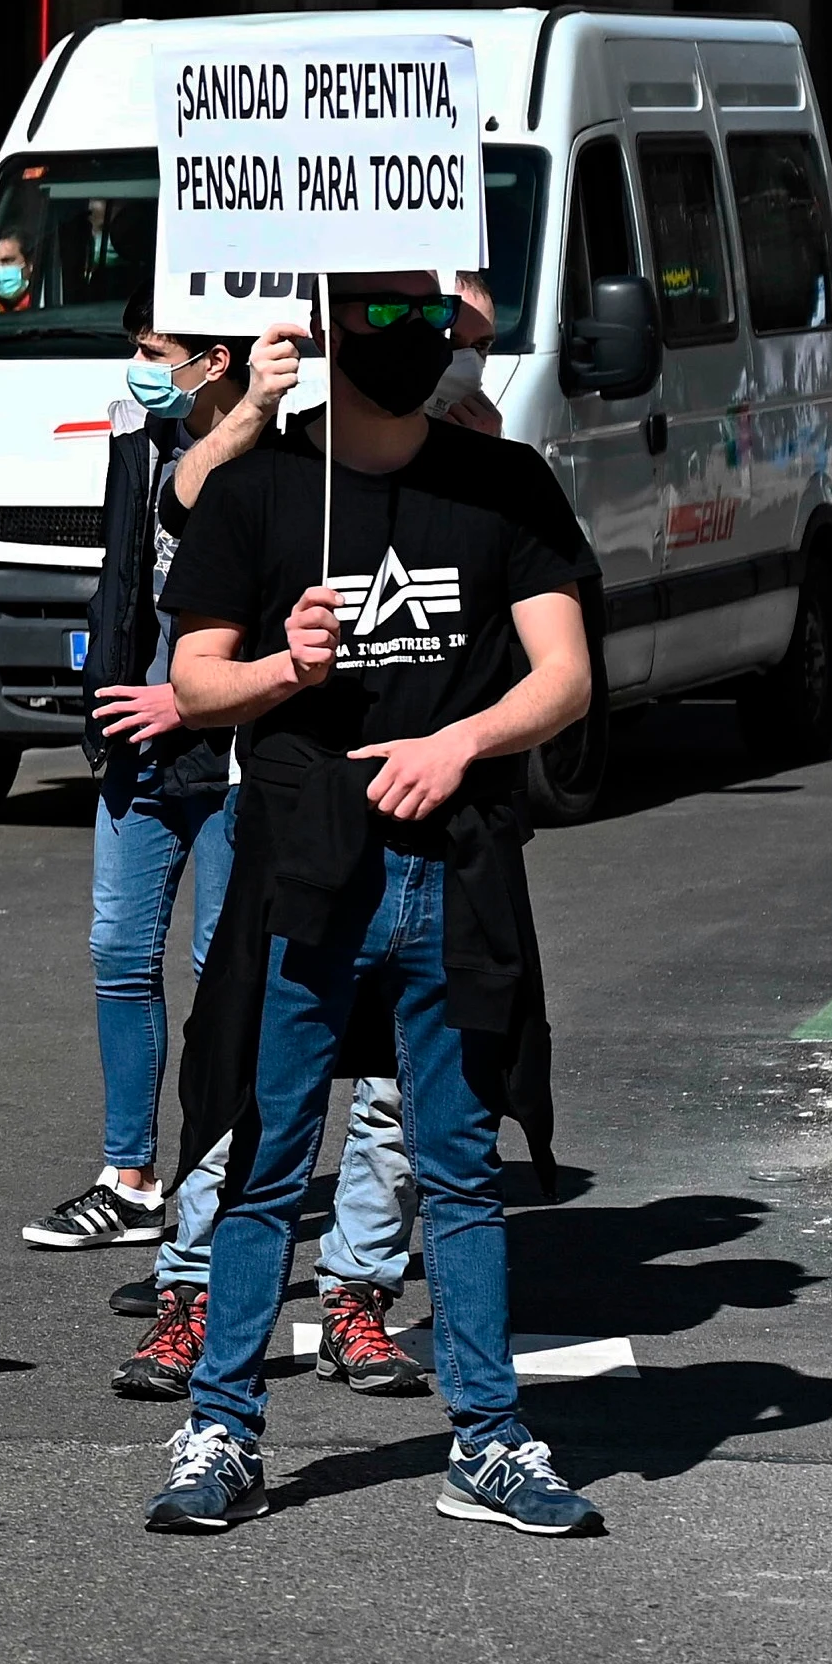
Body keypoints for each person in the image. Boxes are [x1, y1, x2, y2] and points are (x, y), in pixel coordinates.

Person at [140, 269, 601, 1539]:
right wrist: (290, 663)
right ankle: (223, 1426)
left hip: (455, 872)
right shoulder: (262, 487)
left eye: (428, 314)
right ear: (327, 328)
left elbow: (563, 674)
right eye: (382, 313)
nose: (406, 337)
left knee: (459, 1167)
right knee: (263, 1156)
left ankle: (491, 1437)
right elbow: (192, 681)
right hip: (308, 876)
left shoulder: (504, 485)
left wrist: (459, 743)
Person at [39, 307, 433, 1403]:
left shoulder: (458, 456)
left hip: (412, 803)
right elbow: (181, 505)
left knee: (391, 1073)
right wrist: (257, 403)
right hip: (277, 790)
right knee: (243, 1044)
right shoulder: (260, 464)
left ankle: (358, 1289)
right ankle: (194, 1287)